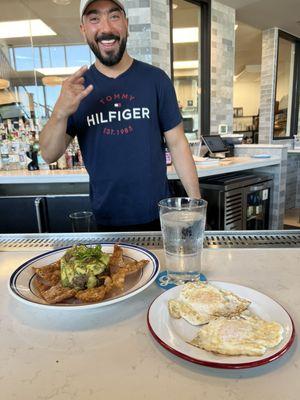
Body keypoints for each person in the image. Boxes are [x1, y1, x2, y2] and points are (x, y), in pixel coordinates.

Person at [40, 0, 201, 232]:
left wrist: (195, 206)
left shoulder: (156, 80)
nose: (105, 28)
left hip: (158, 215)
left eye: (114, 16)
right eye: (94, 19)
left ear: (126, 24)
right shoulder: (76, 89)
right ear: (83, 29)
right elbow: (48, 154)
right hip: (106, 219)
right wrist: (59, 112)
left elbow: (177, 144)